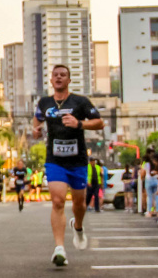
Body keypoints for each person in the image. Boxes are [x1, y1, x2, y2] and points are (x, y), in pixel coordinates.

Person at [32, 64, 104, 267]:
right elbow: (36, 120)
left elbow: (99, 122)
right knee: (57, 201)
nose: (59, 77)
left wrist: (79, 123)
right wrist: (36, 130)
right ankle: (59, 248)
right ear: (51, 79)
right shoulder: (45, 102)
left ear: (69, 80)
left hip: (78, 160)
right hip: (55, 160)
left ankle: (78, 226)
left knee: (79, 204)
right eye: (55, 75)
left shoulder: (80, 101)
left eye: (63, 75)